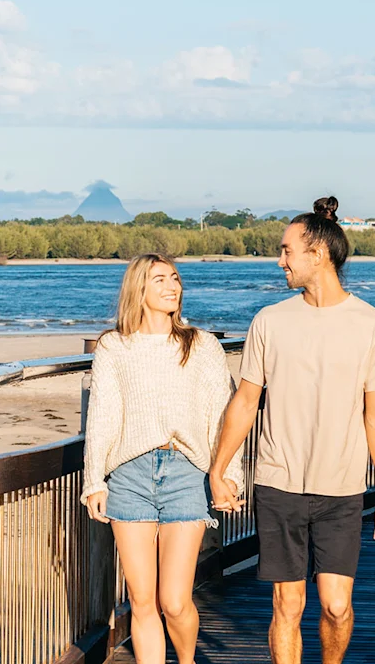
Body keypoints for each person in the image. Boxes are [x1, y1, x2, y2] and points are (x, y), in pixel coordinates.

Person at [209, 196, 375, 664]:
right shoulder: (270, 321)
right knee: (287, 605)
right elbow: (246, 401)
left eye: (286, 251)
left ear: (318, 254)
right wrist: (218, 470)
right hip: (279, 484)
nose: (280, 261)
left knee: (337, 608)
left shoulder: (373, 326)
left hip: (341, 488)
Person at [81, 253, 244, 664]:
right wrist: (94, 481)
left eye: (175, 279)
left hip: (187, 473)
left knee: (173, 600)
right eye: (160, 280)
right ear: (139, 289)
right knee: (141, 600)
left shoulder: (201, 344)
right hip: (129, 476)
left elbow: (223, 417)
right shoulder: (114, 346)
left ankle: (186, 661)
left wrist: (229, 477)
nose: (173, 287)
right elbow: (102, 417)